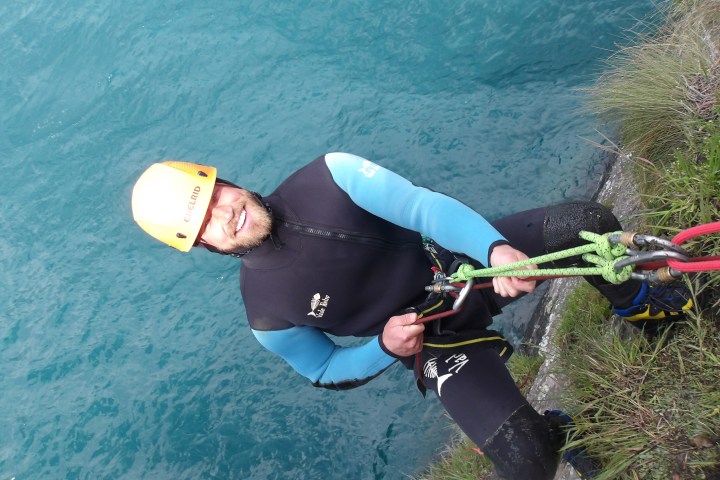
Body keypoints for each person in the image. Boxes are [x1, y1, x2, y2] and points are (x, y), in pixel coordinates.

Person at [131, 152, 691, 479]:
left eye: (215, 195)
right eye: (205, 222)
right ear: (202, 245)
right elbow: (324, 369)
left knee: (583, 222)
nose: (225, 215)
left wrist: (495, 252)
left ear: (223, 178)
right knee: (525, 460)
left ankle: (646, 309)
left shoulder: (331, 175)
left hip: (461, 265)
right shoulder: (266, 314)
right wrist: (386, 348)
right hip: (433, 343)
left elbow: (422, 207)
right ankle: (556, 431)